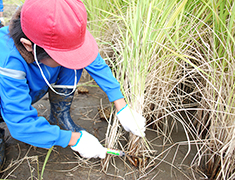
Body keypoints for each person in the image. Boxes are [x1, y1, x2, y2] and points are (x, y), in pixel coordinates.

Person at [0, 0, 146, 169]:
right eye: (62, 56)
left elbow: (94, 61)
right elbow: (21, 124)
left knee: (75, 61)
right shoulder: (7, 61)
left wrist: (122, 106)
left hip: (35, 82)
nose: (72, 60)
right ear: (28, 46)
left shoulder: (62, 27)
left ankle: (59, 118)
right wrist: (74, 139)